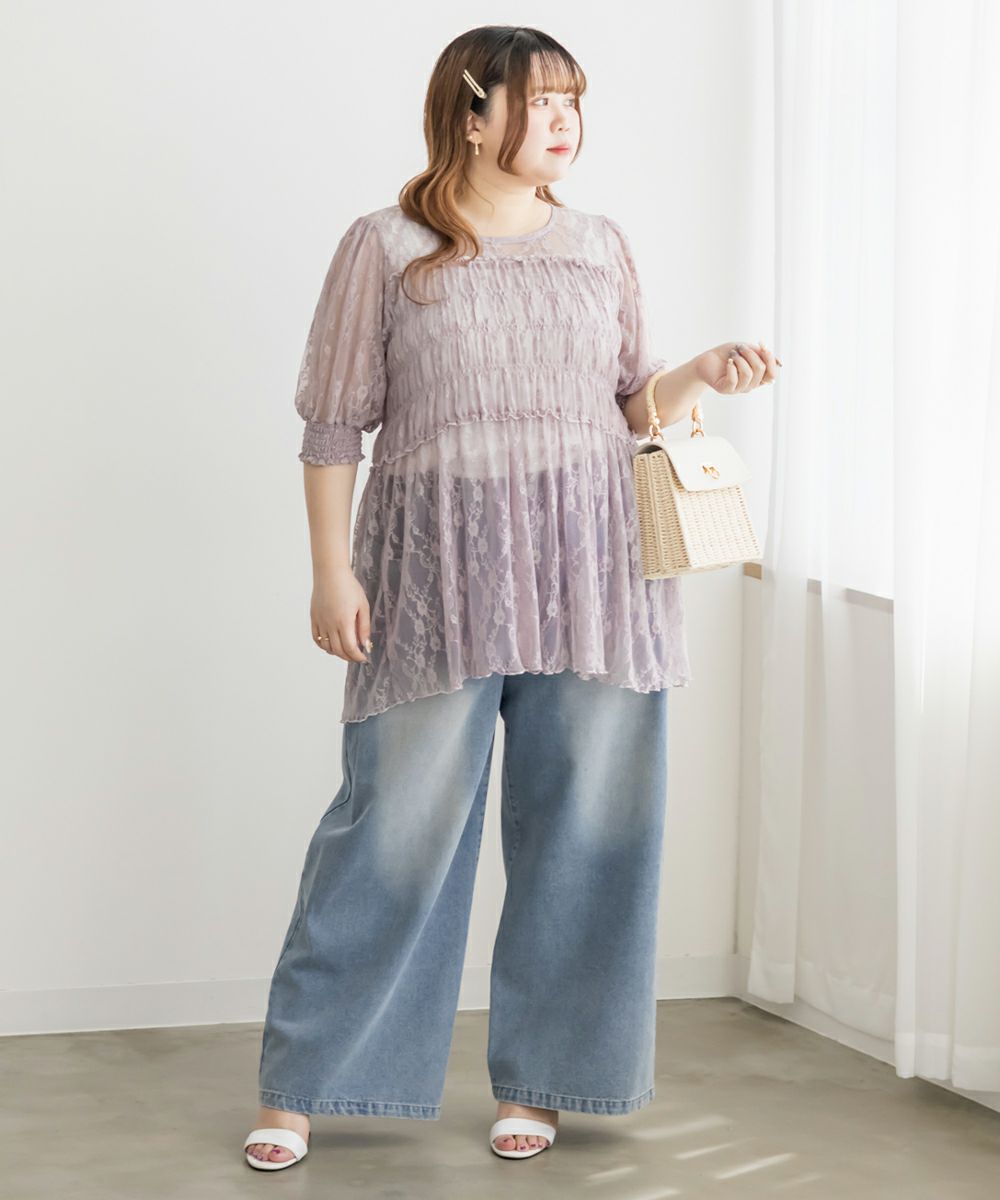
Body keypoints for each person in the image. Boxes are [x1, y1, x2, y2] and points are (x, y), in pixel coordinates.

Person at [243, 23, 779, 1172]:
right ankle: (304, 1085)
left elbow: (627, 405)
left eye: (573, 101)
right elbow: (333, 426)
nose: (563, 121)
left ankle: (544, 1078)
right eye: (540, 101)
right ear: (471, 113)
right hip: (433, 579)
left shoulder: (598, 245)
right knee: (391, 832)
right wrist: (332, 570)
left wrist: (699, 373)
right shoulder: (385, 246)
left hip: (596, 577)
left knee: (586, 834)